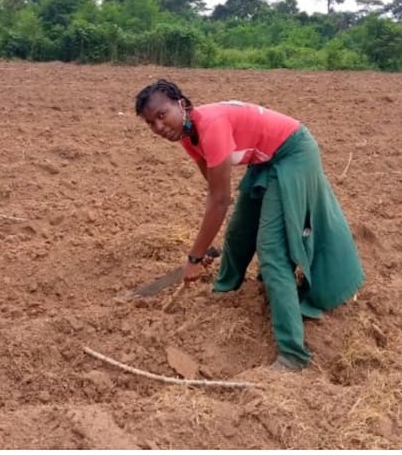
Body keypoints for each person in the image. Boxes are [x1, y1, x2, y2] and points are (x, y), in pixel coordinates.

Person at [134, 79, 364, 372]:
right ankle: (225, 291)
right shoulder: (188, 136)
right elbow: (217, 190)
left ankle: (293, 354)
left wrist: (194, 257)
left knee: (271, 253)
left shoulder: (210, 126)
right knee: (240, 231)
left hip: (292, 153)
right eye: (150, 123)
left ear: (180, 104)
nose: (158, 126)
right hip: (265, 159)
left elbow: (219, 201)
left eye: (161, 114)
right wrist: (205, 247)